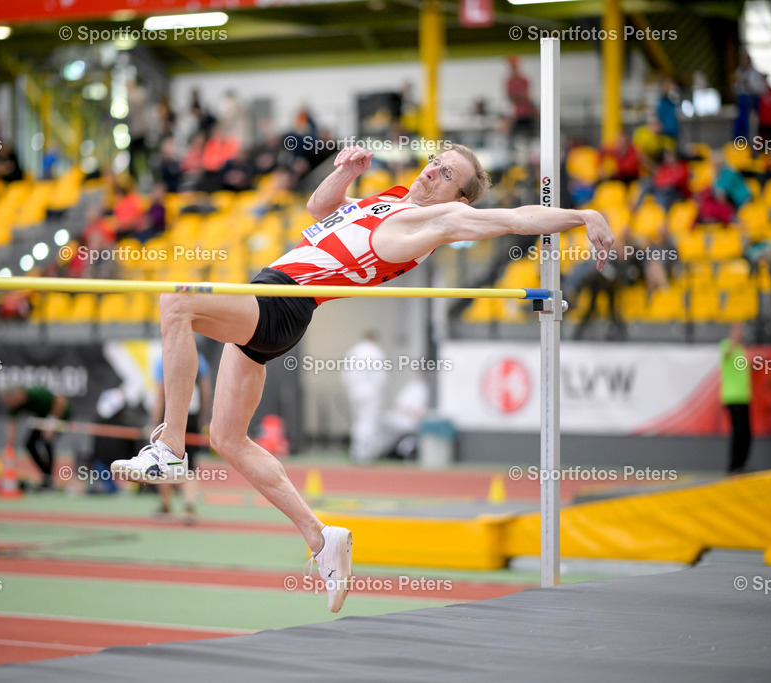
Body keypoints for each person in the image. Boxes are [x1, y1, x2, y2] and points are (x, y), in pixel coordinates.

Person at [109, 145, 616, 613]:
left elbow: (512, 219)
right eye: (435, 162)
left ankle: (170, 448)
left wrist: (584, 216)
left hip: (281, 302)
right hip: (269, 301)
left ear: (457, 195)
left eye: (447, 174)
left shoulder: (438, 220)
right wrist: (343, 174)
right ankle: (320, 537)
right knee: (227, 438)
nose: (432, 171)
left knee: (176, 301)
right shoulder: (390, 200)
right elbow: (319, 210)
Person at [153, 349, 212, 525]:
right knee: (191, 464)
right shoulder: (199, 358)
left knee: (163, 459)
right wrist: (202, 416)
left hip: (170, 417)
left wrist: (156, 421)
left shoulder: (163, 359)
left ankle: (166, 505)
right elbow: (206, 390)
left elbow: (160, 393)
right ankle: (189, 506)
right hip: (191, 417)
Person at [0, 385, 71, 490]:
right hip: (42, 418)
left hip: (60, 414)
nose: (9, 404)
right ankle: (46, 476)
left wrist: (52, 422)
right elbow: (12, 423)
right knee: (29, 444)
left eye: (9, 401)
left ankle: (49, 479)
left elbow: (60, 401)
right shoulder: (15, 405)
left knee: (47, 441)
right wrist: (10, 444)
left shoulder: (36, 393)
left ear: (17, 395)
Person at [341, 332, 388, 464]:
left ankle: (356, 450)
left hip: (355, 392)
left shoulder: (354, 351)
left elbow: (346, 374)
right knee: (368, 422)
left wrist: (352, 388)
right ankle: (365, 452)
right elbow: (380, 376)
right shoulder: (375, 352)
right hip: (370, 392)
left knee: (358, 421)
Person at [720, 324, 751, 474]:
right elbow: (726, 354)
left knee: (746, 433)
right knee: (738, 432)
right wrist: (733, 341)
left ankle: (741, 464)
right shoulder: (727, 345)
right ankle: (734, 465)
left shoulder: (741, 350)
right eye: (738, 331)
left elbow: (746, 367)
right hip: (732, 396)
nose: (740, 334)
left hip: (744, 396)